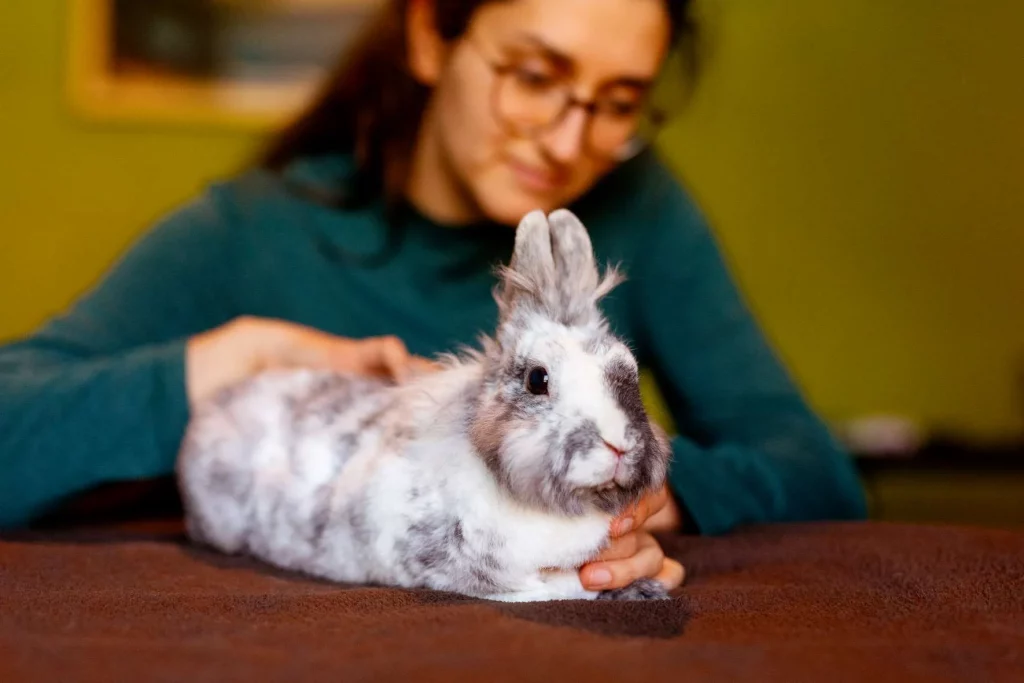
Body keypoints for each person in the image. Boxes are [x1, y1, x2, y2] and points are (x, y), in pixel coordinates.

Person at [0, 0, 867, 594]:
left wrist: (633, 497)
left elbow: (816, 470)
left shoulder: (638, 211)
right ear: (430, 36)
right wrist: (226, 363)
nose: (569, 140)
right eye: (534, 76)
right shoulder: (253, 233)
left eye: (617, 102)